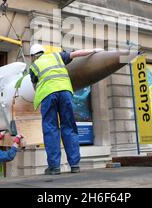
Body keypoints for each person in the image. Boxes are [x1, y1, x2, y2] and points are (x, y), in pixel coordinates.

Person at [29, 44, 103, 175]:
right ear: (43, 51)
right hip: (65, 92)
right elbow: (76, 53)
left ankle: (54, 167)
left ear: (32, 56)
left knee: (50, 129)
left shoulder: (33, 66)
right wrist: (94, 51)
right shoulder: (56, 56)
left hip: (48, 95)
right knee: (69, 126)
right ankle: (74, 165)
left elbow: (35, 84)